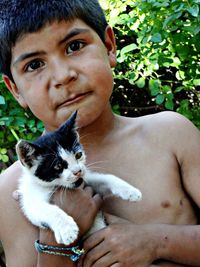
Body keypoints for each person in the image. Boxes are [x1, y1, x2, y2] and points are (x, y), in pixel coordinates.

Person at [0, 0, 199, 266]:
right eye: (35, 65)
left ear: (109, 47)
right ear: (15, 90)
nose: (63, 76)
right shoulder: (12, 188)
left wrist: (154, 241)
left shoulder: (171, 135)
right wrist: (54, 238)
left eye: (75, 46)